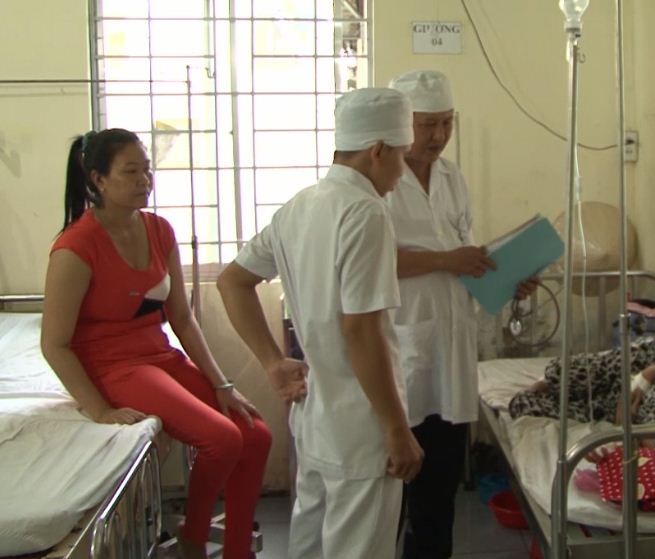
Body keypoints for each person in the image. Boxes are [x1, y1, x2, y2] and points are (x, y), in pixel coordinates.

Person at [40, 128, 271, 559]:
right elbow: (54, 344)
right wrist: (100, 409)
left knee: (256, 434)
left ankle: (237, 548)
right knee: (223, 439)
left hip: (159, 355)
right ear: (98, 180)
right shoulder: (75, 247)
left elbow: (181, 317)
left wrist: (222, 383)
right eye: (131, 172)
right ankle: (194, 536)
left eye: (147, 170)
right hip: (113, 367)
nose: (144, 180)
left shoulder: (159, 230)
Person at [217, 88, 424, 559]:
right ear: (378, 150)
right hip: (361, 424)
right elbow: (360, 330)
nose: (402, 172)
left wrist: (272, 361)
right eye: (402, 156)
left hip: (315, 417)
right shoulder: (365, 212)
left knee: (309, 544)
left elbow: (233, 281)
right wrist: (395, 428)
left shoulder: (301, 205)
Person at [385, 68, 538, 559]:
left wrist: (505, 276)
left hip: (449, 353)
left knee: (439, 489)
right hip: (401, 351)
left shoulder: (452, 177)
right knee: (390, 498)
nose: (438, 136)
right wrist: (445, 260)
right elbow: (370, 261)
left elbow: (463, 254)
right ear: (402, 123)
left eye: (447, 123)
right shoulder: (379, 180)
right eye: (427, 124)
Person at [507, 329, 655, 422]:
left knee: (522, 404)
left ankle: (564, 390)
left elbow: (642, 438)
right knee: (560, 372)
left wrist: (625, 421)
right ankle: (551, 382)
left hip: (618, 403)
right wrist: (650, 373)